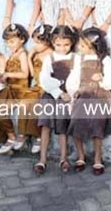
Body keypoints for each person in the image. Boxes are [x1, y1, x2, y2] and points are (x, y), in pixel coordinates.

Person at [69, 27, 111, 175]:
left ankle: (98, 157)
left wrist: (102, 79)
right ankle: (81, 155)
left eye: (83, 45)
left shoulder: (104, 60)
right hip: (83, 95)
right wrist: (73, 91)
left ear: (94, 46)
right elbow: (74, 77)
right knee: (76, 125)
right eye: (80, 44)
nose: (79, 48)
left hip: (99, 97)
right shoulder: (79, 60)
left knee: (97, 126)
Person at [35, 25, 78, 174]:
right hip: (51, 95)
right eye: (58, 45)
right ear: (53, 43)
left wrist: (70, 94)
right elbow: (45, 79)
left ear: (71, 43)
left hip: (67, 97)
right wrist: (58, 92)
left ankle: (63, 159)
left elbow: (76, 79)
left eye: (66, 45)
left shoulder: (75, 58)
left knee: (62, 127)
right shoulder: (49, 58)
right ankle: (42, 160)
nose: (62, 48)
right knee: (45, 126)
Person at [0, 24, 31, 154]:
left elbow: (25, 74)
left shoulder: (22, 54)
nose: (9, 45)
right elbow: (8, 73)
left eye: (12, 41)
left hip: (19, 90)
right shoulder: (12, 54)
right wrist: (1, 77)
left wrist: (8, 74)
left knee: (1, 110)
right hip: (9, 87)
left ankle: (11, 136)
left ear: (22, 39)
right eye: (7, 42)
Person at [23, 25, 54, 155]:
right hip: (36, 84)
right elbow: (32, 73)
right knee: (25, 103)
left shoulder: (50, 54)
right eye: (35, 42)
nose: (36, 46)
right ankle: (24, 134)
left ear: (48, 41)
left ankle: (39, 136)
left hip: (46, 87)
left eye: (39, 43)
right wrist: (29, 58)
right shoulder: (37, 53)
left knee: (36, 105)